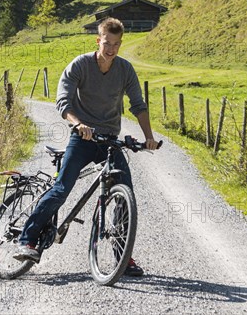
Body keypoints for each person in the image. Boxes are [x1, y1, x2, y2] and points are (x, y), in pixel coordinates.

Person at [13, 17, 160, 276]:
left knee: (125, 193)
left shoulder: (125, 70)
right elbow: (63, 101)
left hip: (109, 141)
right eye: (107, 43)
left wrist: (148, 137)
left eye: (116, 44)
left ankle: (122, 257)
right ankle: (28, 238)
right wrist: (78, 124)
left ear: (120, 43)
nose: (111, 49)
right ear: (98, 40)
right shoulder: (80, 65)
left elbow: (138, 104)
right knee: (61, 189)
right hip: (82, 138)